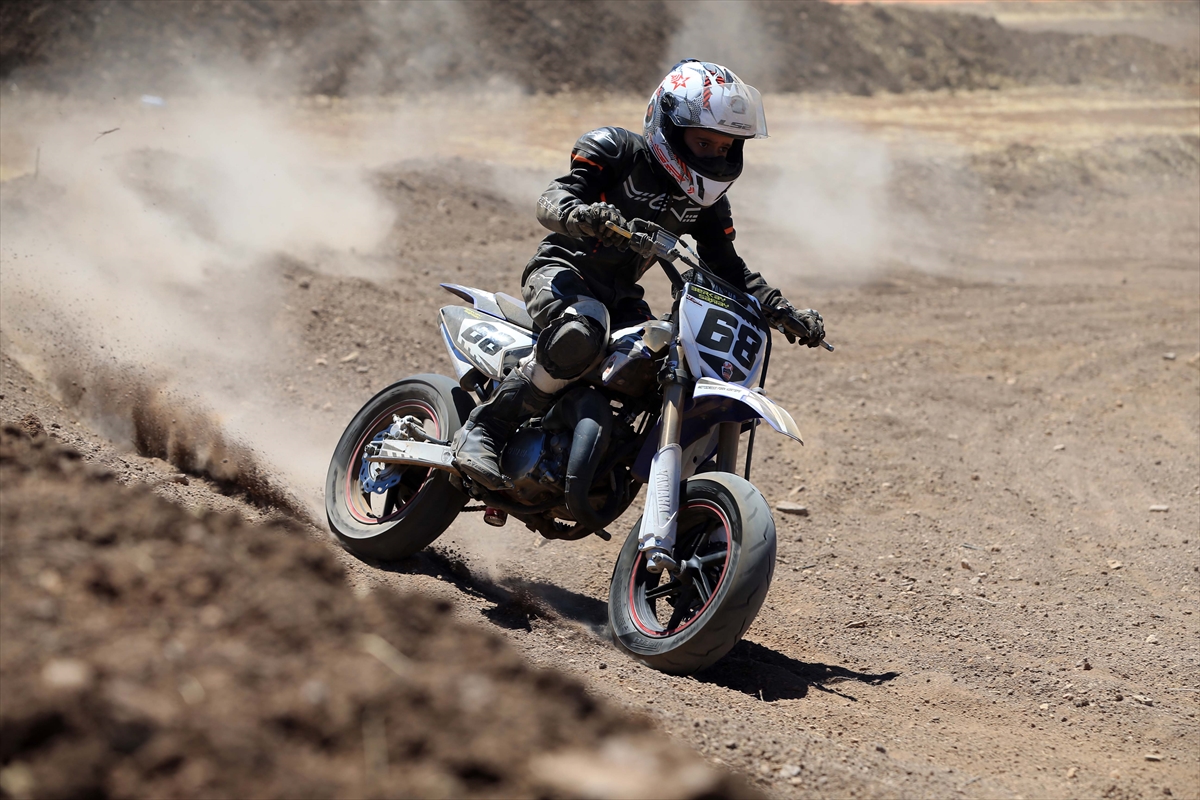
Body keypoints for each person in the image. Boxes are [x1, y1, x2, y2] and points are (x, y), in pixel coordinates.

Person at [453, 59, 825, 491]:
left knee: (663, 360)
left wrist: (780, 309)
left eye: (725, 147)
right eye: (704, 142)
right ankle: (486, 428)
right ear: (669, 126)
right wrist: (584, 215)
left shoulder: (705, 204)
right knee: (581, 332)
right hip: (561, 272)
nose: (715, 155)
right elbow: (552, 199)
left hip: (621, 297)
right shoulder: (616, 149)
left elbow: (728, 268)